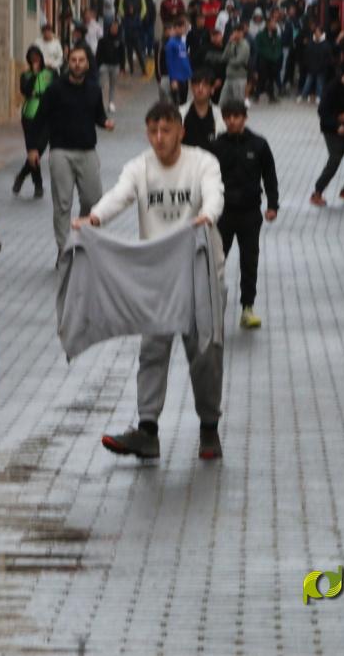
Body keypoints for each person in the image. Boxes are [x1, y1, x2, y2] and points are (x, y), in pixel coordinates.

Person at [72, 101, 225, 461]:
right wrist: (95, 218)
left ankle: (209, 427)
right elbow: (119, 195)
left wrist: (207, 215)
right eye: (153, 131)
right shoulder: (139, 167)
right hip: (159, 276)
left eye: (166, 130)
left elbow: (214, 192)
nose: (159, 138)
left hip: (200, 272)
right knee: (152, 351)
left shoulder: (203, 162)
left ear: (180, 131)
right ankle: (147, 430)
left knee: (205, 353)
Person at [30, 45, 115, 255]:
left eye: (81, 60)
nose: (77, 64)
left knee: (93, 200)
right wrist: (33, 148)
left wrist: (105, 123)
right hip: (61, 152)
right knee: (63, 203)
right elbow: (39, 119)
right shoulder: (55, 90)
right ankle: (64, 249)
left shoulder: (94, 89)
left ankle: (83, 239)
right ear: (68, 63)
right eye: (73, 60)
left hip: (87, 151)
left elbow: (99, 115)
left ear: (87, 64)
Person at [211, 100, 278, 329]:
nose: (231, 121)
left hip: (250, 213)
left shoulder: (259, 144)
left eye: (236, 116)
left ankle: (247, 307)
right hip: (223, 214)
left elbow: (269, 175)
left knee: (249, 262)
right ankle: (212, 305)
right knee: (216, 261)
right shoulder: (216, 146)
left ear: (244, 118)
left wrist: (273, 205)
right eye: (227, 117)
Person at [311, 58, 344, 206]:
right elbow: (322, 111)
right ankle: (317, 193)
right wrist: (336, 124)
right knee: (335, 160)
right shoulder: (332, 87)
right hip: (331, 131)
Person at [14, 46, 55, 197]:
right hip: (29, 114)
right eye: (31, 57)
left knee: (40, 149)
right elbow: (25, 90)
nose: (35, 60)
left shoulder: (50, 73)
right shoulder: (25, 75)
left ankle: (22, 175)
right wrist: (34, 75)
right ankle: (38, 184)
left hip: (47, 114)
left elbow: (57, 89)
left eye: (37, 56)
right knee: (32, 151)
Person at [179, 69, 226, 149]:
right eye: (197, 84)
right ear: (191, 87)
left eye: (205, 85)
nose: (200, 88)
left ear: (212, 89)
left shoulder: (221, 114)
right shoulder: (180, 112)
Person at [298, 22, 331, 103]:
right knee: (308, 82)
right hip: (311, 67)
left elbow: (327, 58)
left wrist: (323, 66)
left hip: (321, 68)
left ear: (322, 33)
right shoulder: (311, 42)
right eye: (315, 32)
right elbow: (307, 54)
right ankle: (303, 95)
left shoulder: (326, 44)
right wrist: (308, 64)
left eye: (318, 32)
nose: (316, 33)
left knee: (320, 83)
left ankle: (319, 97)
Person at [220, 23, 250, 108]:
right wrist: (229, 43)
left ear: (242, 33)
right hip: (229, 77)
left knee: (238, 103)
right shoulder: (232, 44)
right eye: (235, 31)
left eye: (238, 32)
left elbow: (238, 61)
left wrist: (228, 61)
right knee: (222, 103)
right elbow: (223, 57)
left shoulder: (244, 45)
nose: (236, 34)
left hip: (239, 78)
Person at [96, 20, 123, 113]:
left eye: (116, 28)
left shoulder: (120, 40)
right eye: (113, 27)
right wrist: (99, 65)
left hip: (115, 65)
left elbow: (122, 54)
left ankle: (111, 103)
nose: (114, 29)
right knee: (101, 85)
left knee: (112, 85)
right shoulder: (103, 40)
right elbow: (98, 53)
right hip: (104, 65)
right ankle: (99, 103)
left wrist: (122, 67)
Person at [121, 0, 147, 76]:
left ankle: (143, 69)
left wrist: (139, 18)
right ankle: (131, 69)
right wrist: (125, 15)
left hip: (136, 25)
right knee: (129, 49)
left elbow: (144, 9)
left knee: (138, 49)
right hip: (127, 23)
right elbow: (120, 8)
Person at [255, 15, 283, 104]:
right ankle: (257, 95)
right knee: (262, 78)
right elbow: (258, 48)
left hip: (273, 61)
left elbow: (278, 47)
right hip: (263, 60)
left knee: (272, 79)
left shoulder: (276, 35)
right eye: (273, 23)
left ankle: (271, 96)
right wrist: (267, 54)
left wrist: (276, 56)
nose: (274, 24)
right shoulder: (260, 35)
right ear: (267, 24)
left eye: (275, 23)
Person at [165, 18, 192, 105]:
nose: (185, 29)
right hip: (177, 78)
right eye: (183, 27)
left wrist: (190, 75)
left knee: (184, 102)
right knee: (177, 103)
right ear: (176, 28)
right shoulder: (171, 43)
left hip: (184, 77)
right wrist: (173, 79)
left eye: (185, 27)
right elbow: (169, 62)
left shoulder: (182, 42)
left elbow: (185, 59)